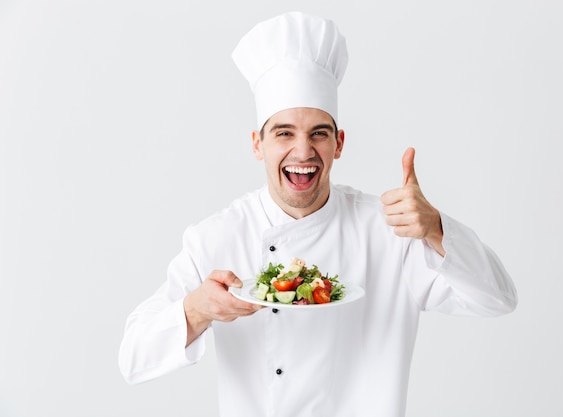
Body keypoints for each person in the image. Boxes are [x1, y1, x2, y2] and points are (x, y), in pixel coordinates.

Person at [119, 11, 517, 417]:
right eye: (284, 133)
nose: (304, 152)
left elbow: (499, 299)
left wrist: (436, 229)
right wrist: (196, 310)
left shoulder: (389, 232)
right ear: (257, 144)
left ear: (339, 143)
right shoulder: (217, 236)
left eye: (319, 134)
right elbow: (132, 358)